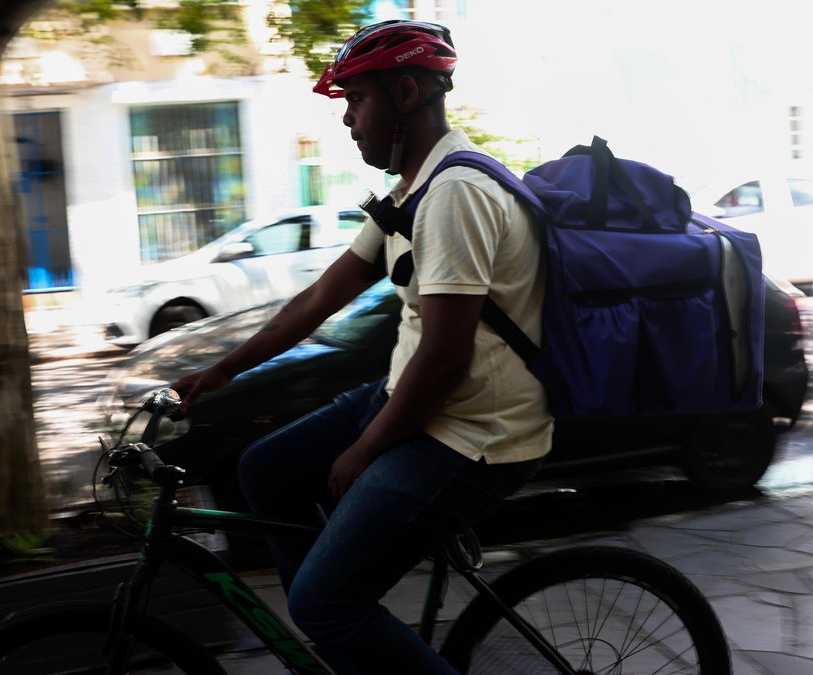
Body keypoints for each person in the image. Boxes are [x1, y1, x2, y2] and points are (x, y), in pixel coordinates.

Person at [172, 19, 552, 675]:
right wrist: (222, 370)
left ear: (405, 94)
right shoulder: (411, 191)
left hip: (474, 434)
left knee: (326, 604)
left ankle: (340, 623)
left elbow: (446, 356)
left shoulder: (455, 195)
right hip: (421, 403)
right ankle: (351, 646)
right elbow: (320, 298)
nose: (348, 119)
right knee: (266, 471)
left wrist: (367, 447)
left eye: (356, 100)